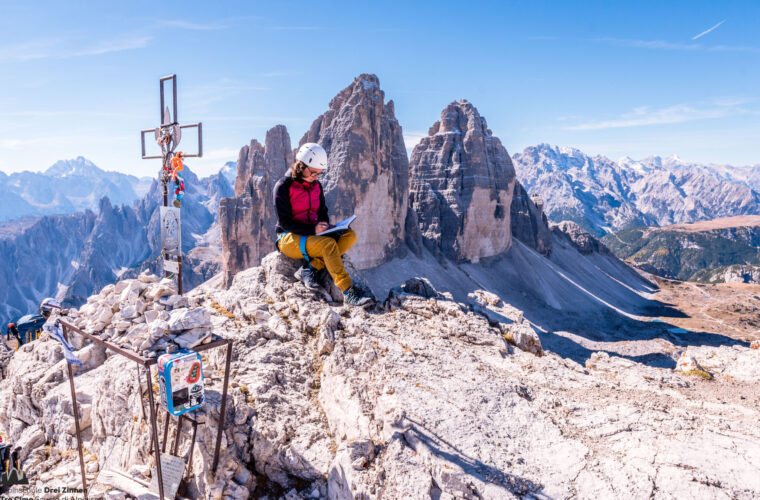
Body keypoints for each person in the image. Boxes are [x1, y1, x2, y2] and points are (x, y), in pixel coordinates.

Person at [273, 143, 373, 306]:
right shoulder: (283, 186)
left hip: (312, 234)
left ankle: (310, 268)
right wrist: (312, 229)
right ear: (301, 165)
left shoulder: (316, 186)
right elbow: (284, 222)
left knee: (349, 235)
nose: (316, 177)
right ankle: (348, 292)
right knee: (328, 245)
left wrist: (326, 226)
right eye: (313, 172)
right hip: (288, 238)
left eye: (319, 173)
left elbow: (322, 212)